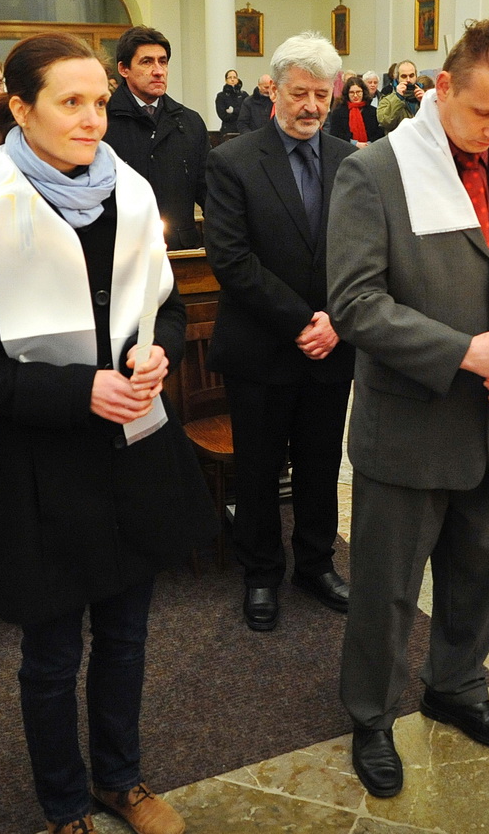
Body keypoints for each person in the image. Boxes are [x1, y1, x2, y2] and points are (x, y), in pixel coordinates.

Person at [0, 32, 213, 834]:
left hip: (133, 449)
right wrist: (78, 389)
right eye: (70, 103)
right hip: (46, 465)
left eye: (100, 103)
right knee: (51, 656)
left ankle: (121, 779)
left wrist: (159, 353)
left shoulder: (132, 197)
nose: (92, 120)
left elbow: (169, 306)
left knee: (126, 637)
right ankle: (62, 804)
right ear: (20, 109)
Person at [328, 14, 489, 798]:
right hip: (409, 423)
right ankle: (372, 714)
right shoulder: (375, 171)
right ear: (441, 87)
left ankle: (457, 686)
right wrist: (465, 352)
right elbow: (356, 304)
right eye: (482, 112)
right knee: (387, 590)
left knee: (478, 576)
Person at [203, 33, 356, 633]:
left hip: (332, 346)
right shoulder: (234, 160)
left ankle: (316, 564)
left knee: (320, 465)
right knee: (260, 470)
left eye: (322, 95)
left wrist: (337, 319)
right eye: (299, 93)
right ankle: (261, 572)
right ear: (274, 90)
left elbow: (367, 252)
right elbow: (231, 259)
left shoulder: (349, 160)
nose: (311, 106)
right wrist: (302, 321)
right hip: (262, 347)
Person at [105, 26, 210, 250]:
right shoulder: (103, 122)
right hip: (121, 251)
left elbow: (208, 192)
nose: (158, 71)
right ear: (124, 69)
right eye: (147, 62)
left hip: (181, 250)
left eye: (163, 62)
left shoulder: (189, 122)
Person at [325, 74, 382, 147]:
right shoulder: (338, 112)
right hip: (346, 149)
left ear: (363, 92)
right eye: (352, 92)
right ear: (347, 93)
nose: (355, 95)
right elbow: (335, 135)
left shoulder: (373, 111)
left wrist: (368, 144)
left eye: (358, 92)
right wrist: (355, 144)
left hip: (370, 149)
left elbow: (379, 134)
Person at [376, 59, 422, 133]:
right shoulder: (386, 100)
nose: (408, 80)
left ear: (416, 76)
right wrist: (398, 98)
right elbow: (385, 122)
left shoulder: (425, 96)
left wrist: (425, 102)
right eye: (404, 76)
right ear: (397, 78)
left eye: (411, 76)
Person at [215, 68, 247, 133]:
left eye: (234, 77)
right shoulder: (221, 96)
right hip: (228, 129)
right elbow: (223, 115)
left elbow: (247, 112)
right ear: (226, 80)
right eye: (230, 77)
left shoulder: (244, 95)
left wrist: (233, 111)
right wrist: (239, 113)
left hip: (242, 129)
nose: (232, 79)